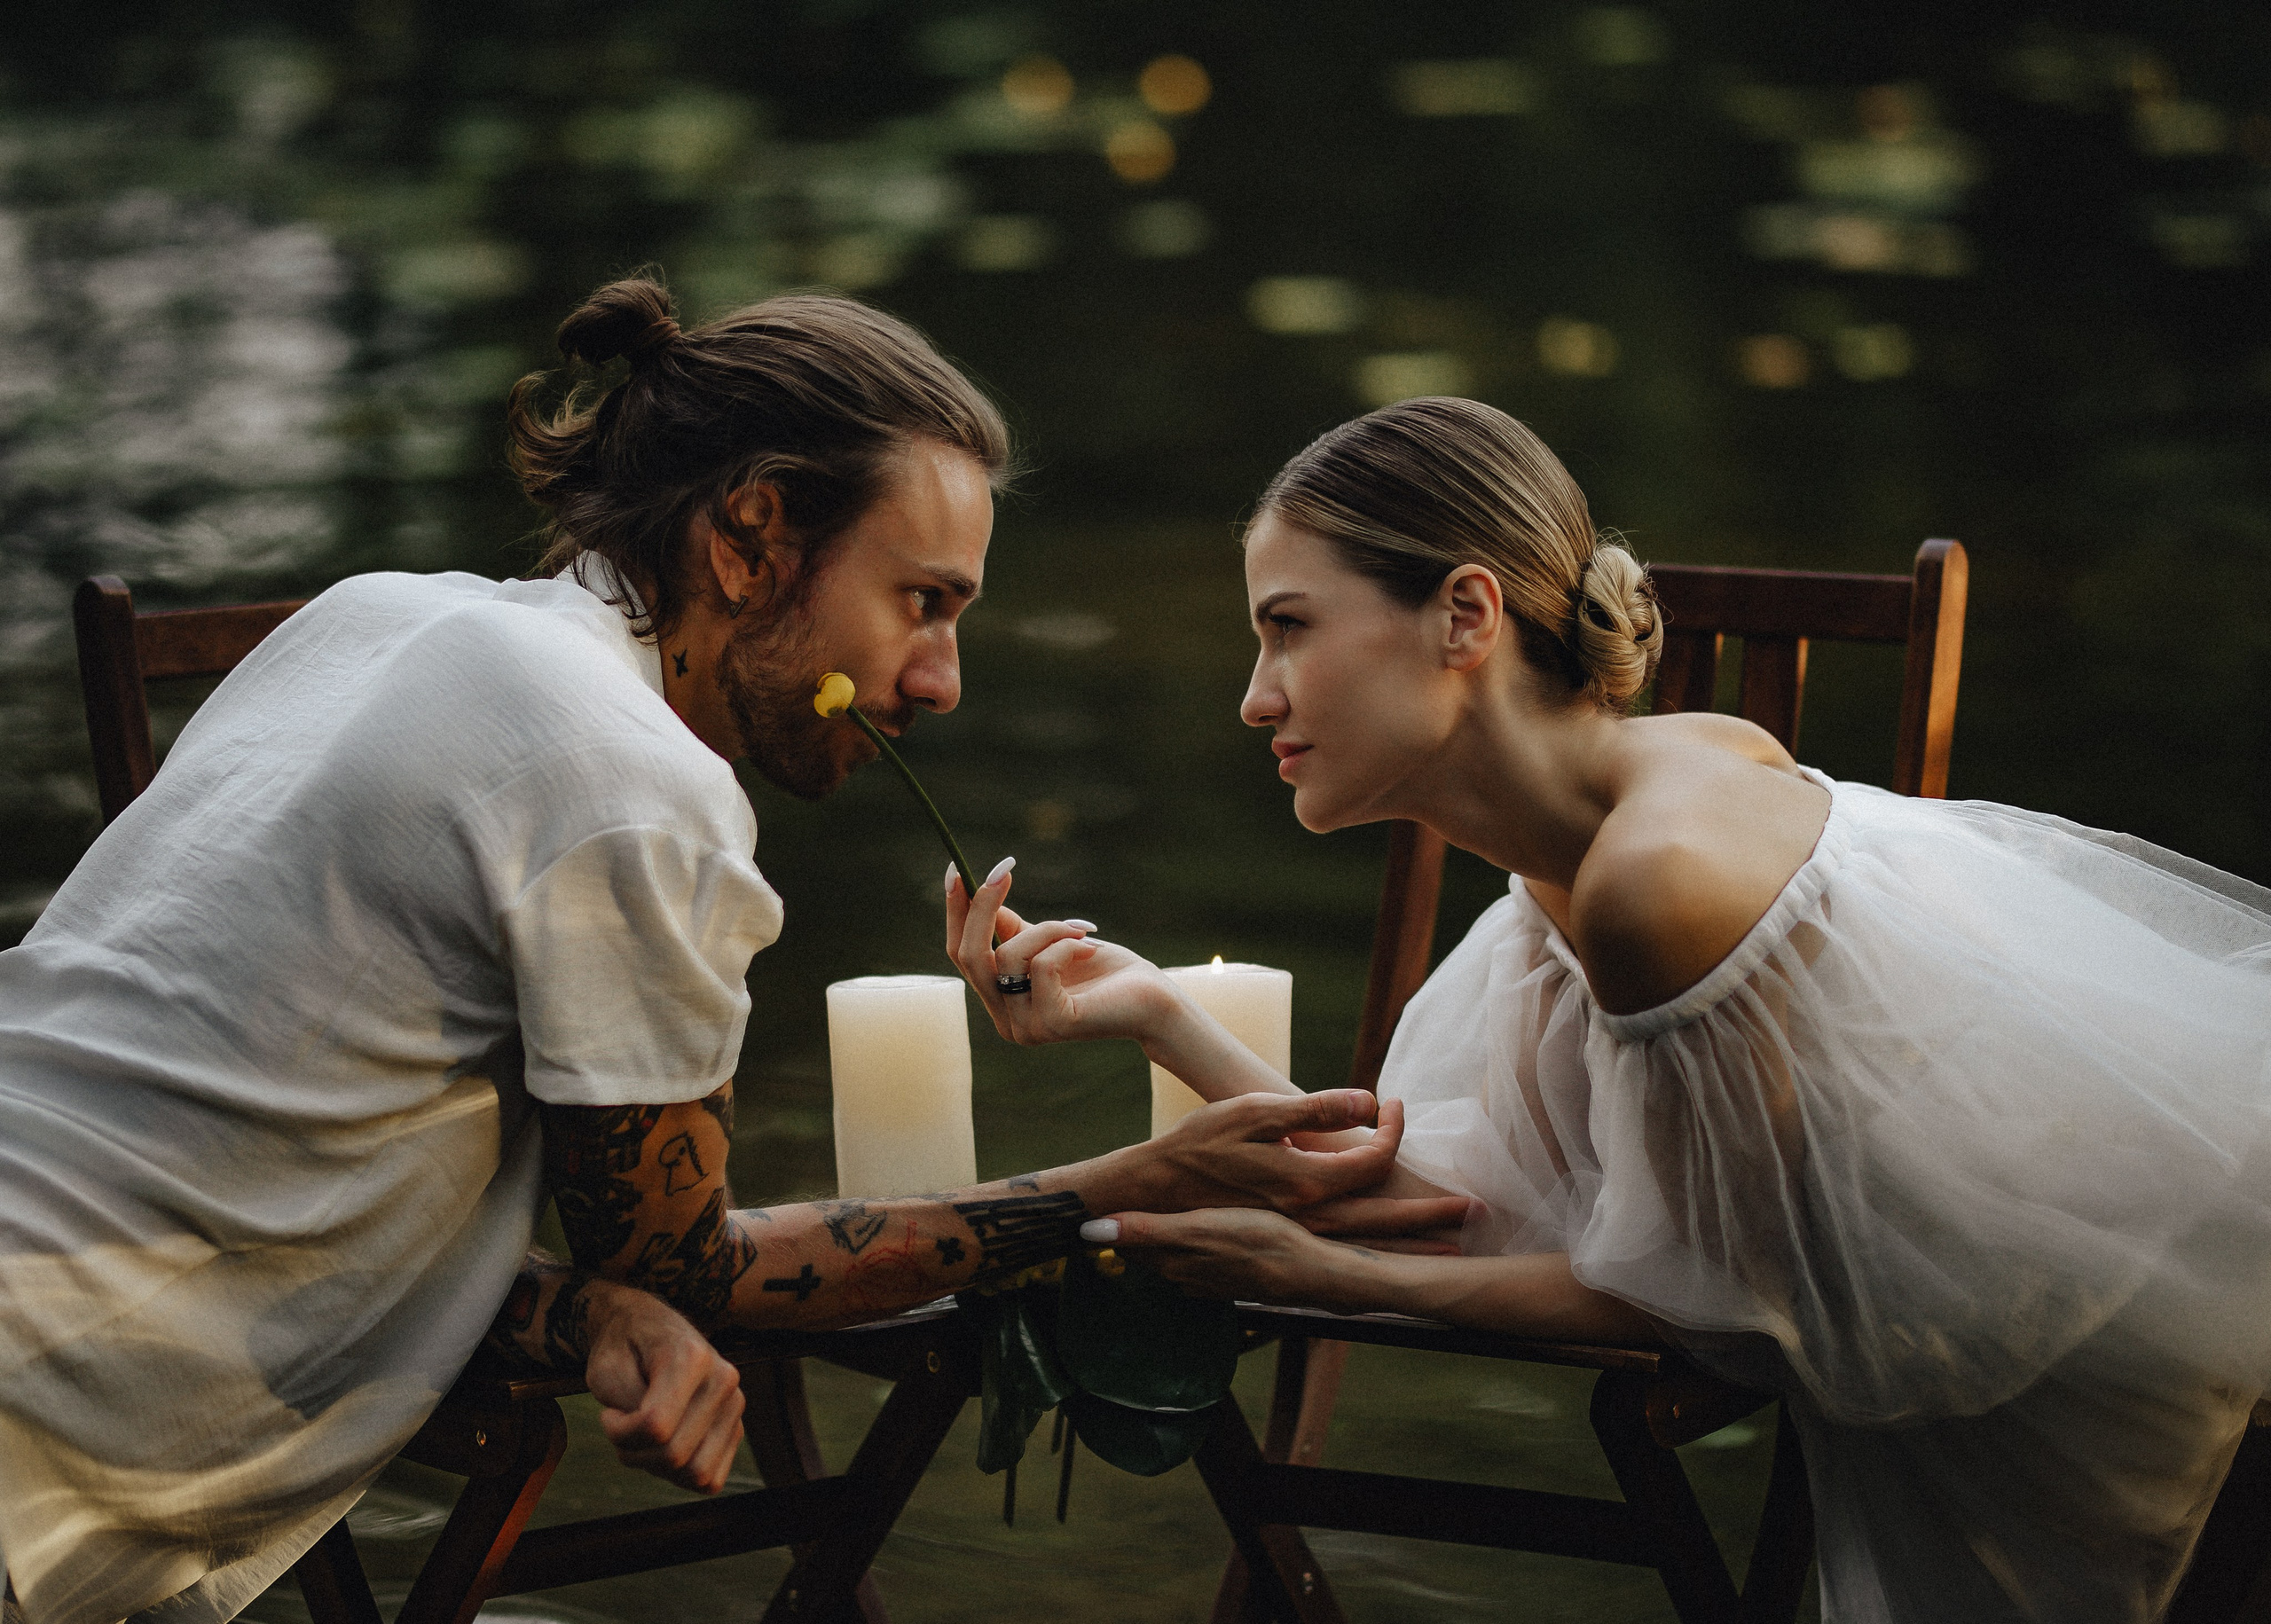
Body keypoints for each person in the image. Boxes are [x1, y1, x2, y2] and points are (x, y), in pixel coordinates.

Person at [0, 279, 1459, 1624]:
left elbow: (274, 1171)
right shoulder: (633, 780)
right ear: (753, 535)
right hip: (52, 1430)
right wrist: (1133, 1185)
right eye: (923, 602)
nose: (940, 681)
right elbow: (692, 1274)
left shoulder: (374, 617)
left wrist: (585, 1310)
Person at [946, 396, 2271, 1623]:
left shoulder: (1655, 888)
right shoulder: (1577, 846)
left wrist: (1335, 1279)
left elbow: (1717, 1310)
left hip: (2115, 1363)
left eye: (1288, 627)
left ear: (1466, 616)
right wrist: (1155, 1010)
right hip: (2024, 1326)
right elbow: (1473, 1197)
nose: (1255, 695)